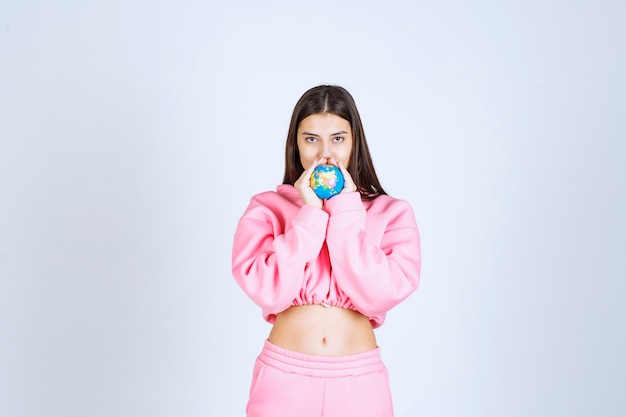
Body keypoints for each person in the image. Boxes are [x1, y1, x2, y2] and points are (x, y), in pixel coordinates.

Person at [231, 85, 421, 417]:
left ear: (354, 142)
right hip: (282, 382)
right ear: (295, 144)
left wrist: (346, 210)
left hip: (359, 385)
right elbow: (270, 292)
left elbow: (378, 295)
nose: (325, 155)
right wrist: (310, 215)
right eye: (311, 139)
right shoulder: (265, 208)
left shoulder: (393, 213)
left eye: (337, 138)